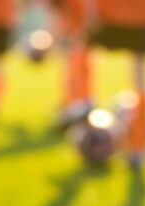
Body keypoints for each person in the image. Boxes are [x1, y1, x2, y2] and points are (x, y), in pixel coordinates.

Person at [88, 0, 145, 168]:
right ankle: (138, 147)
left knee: (140, 79)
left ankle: (138, 144)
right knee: (141, 80)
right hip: (129, 15)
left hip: (125, 15)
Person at [45, 0, 93, 130]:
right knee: (73, 69)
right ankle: (75, 104)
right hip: (73, 33)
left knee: (79, 68)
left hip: (78, 33)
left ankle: (81, 105)